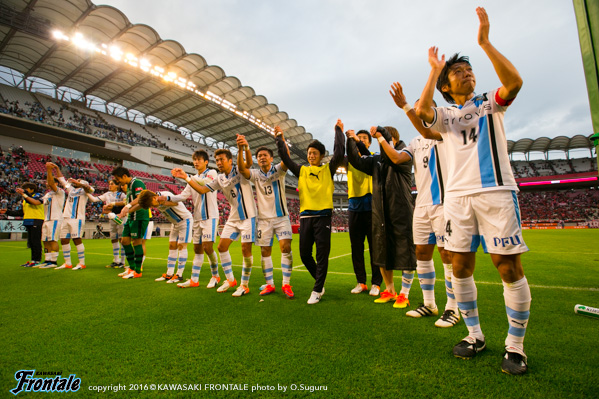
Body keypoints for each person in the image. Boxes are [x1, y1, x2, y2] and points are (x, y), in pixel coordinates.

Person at [414, 7, 531, 375]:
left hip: (496, 192)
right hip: (458, 200)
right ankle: (475, 335)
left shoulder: (488, 103)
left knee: (507, 266)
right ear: (447, 86)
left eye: (469, 71)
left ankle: (515, 346)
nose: (467, 74)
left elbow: (514, 84)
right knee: (460, 266)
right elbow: (422, 110)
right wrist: (434, 70)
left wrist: (485, 42)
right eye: (458, 72)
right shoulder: (446, 116)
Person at [378, 86, 460, 327]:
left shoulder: (446, 131)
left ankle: (452, 308)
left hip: (445, 203)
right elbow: (396, 158)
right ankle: (429, 303)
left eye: (421, 108)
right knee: (422, 254)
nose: (418, 112)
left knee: (447, 255)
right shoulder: (415, 141)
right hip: (421, 205)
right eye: (416, 109)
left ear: (433, 110)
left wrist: (405, 107)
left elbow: (426, 127)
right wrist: (382, 138)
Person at [275, 120, 345, 304]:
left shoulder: (328, 169)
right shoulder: (302, 170)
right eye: (309, 153)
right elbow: (286, 158)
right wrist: (279, 139)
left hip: (323, 217)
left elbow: (339, 153)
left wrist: (338, 131)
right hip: (306, 217)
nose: (311, 155)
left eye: (314, 153)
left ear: (321, 155)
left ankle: (316, 290)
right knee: (305, 255)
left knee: (322, 255)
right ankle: (320, 283)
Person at [346, 126, 416, 308]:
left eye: (382, 138)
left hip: (401, 210)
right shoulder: (377, 160)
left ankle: (404, 293)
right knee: (381, 250)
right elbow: (356, 160)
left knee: (405, 250)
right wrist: (350, 141)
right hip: (380, 211)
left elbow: (391, 157)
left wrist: (380, 135)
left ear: (391, 138)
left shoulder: (403, 155)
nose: (379, 141)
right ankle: (390, 290)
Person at [172, 147, 256, 296]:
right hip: (233, 217)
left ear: (230, 160)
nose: (218, 162)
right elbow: (202, 189)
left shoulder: (238, 170)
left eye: (221, 159)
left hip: (249, 216)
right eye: (216, 160)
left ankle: (244, 285)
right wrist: (185, 177)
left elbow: (248, 163)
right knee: (222, 247)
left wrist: (244, 148)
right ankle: (230, 280)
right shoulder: (219, 178)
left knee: (245, 249)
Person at [237, 129, 295, 298]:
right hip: (263, 220)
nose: (262, 157)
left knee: (286, 247)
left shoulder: (279, 170)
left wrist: (282, 139)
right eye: (259, 156)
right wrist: (241, 149)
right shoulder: (255, 174)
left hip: (281, 217)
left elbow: (287, 158)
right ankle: (270, 284)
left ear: (271, 158)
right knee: (265, 252)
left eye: (265, 155)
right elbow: (242, 169)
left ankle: (286, 284)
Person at [168, 150, 221, 289]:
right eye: (194, 160)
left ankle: (215, 276)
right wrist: (166, 198)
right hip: (197, 218)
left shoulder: (212, 173)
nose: (196, 162)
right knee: (197, 249)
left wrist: (186, 177)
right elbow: (182, 196)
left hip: (210, 217)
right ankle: (194, 279)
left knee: (207, 247)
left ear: (206, 162)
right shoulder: (191, 179)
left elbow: (204, 185)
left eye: (199, 159)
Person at [340, 129, 382, 296]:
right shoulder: (349, 159)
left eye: (365, 138)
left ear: (369, 142)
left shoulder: (373, 156)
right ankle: (361, 282)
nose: (362, 140)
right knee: (356, 247)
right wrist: (345, 138)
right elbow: (338, 156)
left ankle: (376, 283)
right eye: (359, 138)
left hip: (372, 205)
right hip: (354, 206)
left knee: (375, 247)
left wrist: (355, 140)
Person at [136, 190, 192, 284]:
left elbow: (176, 202)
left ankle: (179, 275)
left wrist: (164, 202)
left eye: (151, 204)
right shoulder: (156, 200)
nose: (152, 207)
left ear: (154, 197)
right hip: (175, 223)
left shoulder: (166, 195)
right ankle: (169, 273)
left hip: (185, 221)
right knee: (171, 245)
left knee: (181, 246)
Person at [52, 163, 93, 270]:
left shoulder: (85, 191)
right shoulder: (71, 190)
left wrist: (78, 183)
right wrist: (57, 168)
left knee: (76, 239)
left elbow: (91, 189)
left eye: (79, 181)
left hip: (77, 218)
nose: (76, 181)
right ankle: (67, 263)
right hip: (66, 218)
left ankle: (81, 263)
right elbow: (61, 179)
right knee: (64, 240)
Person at [112, 167, 150, 279]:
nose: (117, 181)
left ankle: (137, 271)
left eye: (118, 179)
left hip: (140, 216)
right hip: (131, 217)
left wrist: (127, 206)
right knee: (124, 241)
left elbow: (140, 198)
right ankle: (132, 267)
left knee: (137, 242)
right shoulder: (129, 186)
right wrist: (124, 212)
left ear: (124, 176)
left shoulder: (137, 183)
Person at [87, 180, 127, 268]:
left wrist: (112, 205)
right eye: (109, 184)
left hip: (121, 218)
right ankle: (116, 260)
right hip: (111, 218)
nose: (110, 185)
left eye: (112, 184)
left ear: (117, 186)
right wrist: (86, 192)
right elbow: (94, 199)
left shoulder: (121, 194)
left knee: (122, 239)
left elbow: (125, 202)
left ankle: (122, 262)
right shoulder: (107, 194)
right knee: (113, 238)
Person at [35, 163, 66, 268]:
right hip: (47, 219)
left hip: (55, 219)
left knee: (53, 239)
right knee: (45, 240)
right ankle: (47, 259)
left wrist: (49, 170)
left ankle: (53, 261)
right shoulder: (47, 195)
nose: (48, 184)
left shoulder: (60, 192)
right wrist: (24, 194)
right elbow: (36, 202)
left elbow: (51, 183)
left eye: (50, 183)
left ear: (56, 183)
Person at [16, 182, 44, 267]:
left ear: (32, 189)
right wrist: (7, 212)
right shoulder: (26, 199)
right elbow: (22, 212)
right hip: (28, 220)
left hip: (36, 220)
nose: (24, 191)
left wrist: (24, 194)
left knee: (36, 241)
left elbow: (33, 202)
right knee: (31, 242)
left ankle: (37, 260)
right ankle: (33, 259)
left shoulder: (38, 195)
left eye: (26, 189)